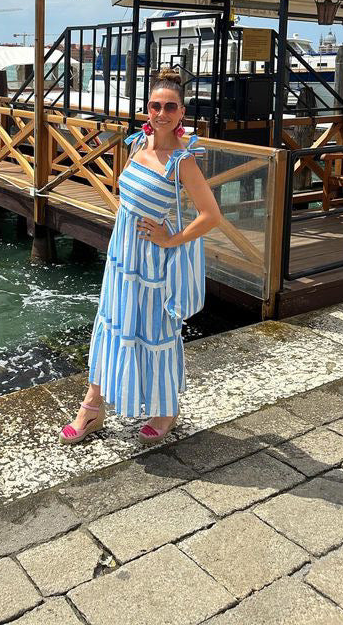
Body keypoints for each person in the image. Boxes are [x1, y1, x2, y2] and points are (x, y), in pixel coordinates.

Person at [59, 67, 221, 445]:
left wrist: (170, 239)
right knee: (112, 322)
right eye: (155, 105)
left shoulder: (183, 161)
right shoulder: (136, 144)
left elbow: (211, 216)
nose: (161, 113)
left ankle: (165, 410)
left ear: (182, 113)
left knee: (153, 330)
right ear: (147, 109)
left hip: (151, 262)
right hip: (122, 255)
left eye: (170, 107)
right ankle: (93, 405)